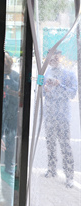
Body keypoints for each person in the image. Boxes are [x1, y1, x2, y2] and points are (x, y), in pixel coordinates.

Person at [43, 50, 78, 188]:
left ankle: (69, 176)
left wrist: (59, 85)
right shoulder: (46, 72)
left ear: (60, 57)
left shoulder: (69, 74)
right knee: (50, 144)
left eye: (55, 56)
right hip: (49, 115)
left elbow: (72, 93)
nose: (53, 59)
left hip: (62, 117)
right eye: (50, 56)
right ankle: (52, 169)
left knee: (65, 146)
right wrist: (44, 88)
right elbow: (38, 89)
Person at [0, 52, 19, 205]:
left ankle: (8, 166)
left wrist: (11, 87)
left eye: (7, 60)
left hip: (11, 113)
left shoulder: (15, 76)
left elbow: (19, 93)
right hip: (0, 112)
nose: (5, 63)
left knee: (11, 140)